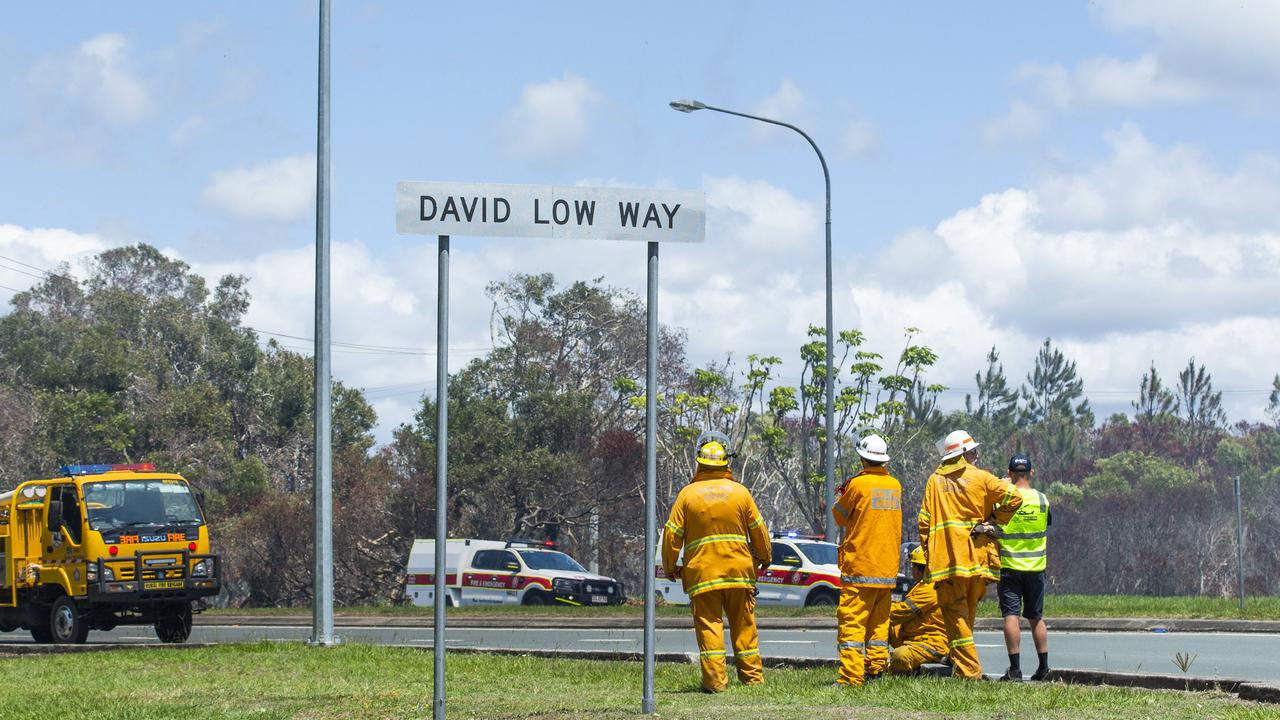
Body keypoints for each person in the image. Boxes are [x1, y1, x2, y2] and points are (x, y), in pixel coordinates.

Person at [662, 430, 772, 693]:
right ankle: (753, 680)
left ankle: (715, 683)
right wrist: (765, 557)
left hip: (703, 575)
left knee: (710, 629)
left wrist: (669, 567)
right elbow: (759, 531)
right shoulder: (740, 493)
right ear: (727, 462)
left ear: (699, 461)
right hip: (739, 573)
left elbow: (671, 535)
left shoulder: (687, 495)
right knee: (744, 628)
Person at [917, 430, 1023, 680]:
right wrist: (994, 521)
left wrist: (929, 554)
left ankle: (970, 673)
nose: (977, 455)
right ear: (963, 454)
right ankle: (960, 664)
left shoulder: (935, 481)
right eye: (973, 452)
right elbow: (1015, 497)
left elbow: (924, 523)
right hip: (977, 561)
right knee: (966, 617)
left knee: (957, 619)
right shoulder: (982, 478)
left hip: (948, 563)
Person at [831, 433, 901, 686]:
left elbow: (839, 516)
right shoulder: (895, 485)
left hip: (860, 568)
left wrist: (842, 494)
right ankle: (876, 669)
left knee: (852, 623)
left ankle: (850, 677)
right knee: (879, 624)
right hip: (886, 568)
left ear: (862, 458)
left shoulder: (857, 485)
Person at [996, 453, 1051, 681]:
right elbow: (1048, 523)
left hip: (1009, 566)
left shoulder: (1004, 500)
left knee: (1011, 615)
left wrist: (1001, 486)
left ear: (1009, 473)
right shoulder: (1042, 500)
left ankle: (1015, 670)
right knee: (1036, 617)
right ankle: (1044, 668)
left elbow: (992, 520)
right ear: (1031, 473)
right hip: (1036, 568)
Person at [888, 546, 948, 675]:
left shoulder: (931, 588)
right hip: (913, 638)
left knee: (900, 656)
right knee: (882, 625)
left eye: (913, 566)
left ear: (919, 568)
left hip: (930, 643)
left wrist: (879, 609)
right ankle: (875, 665)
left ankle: (894, 670)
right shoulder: (923, 585)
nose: (912, 570)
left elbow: (904, 611)